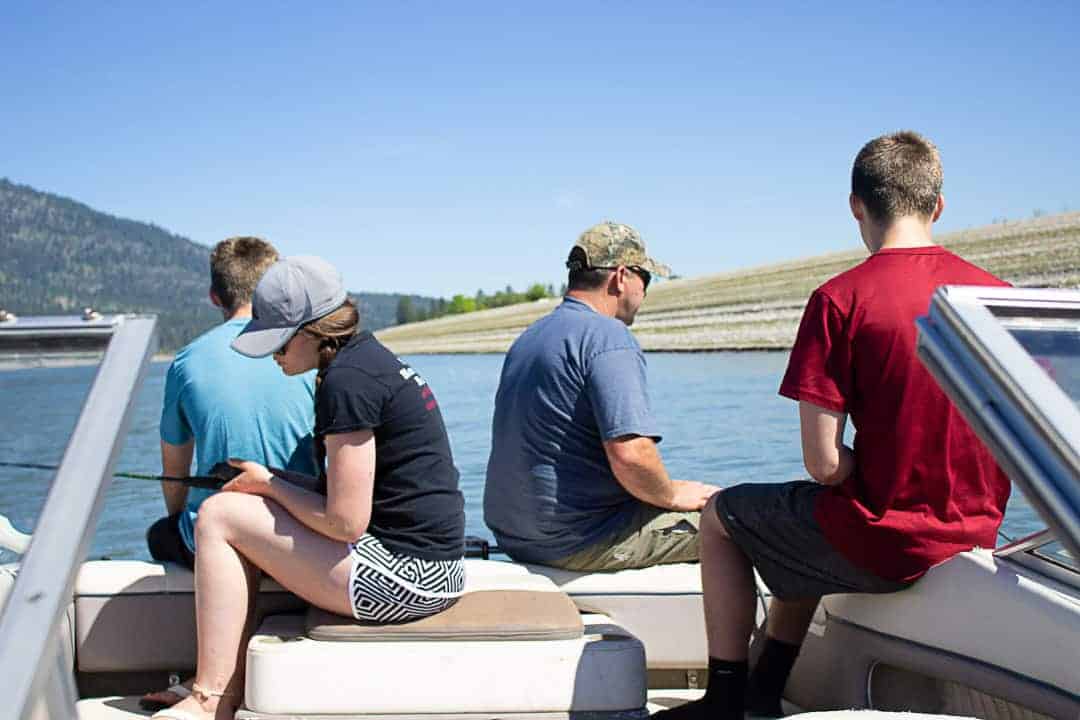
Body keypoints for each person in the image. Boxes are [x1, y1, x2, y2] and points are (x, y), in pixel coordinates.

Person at [656, 131, 1011, 720]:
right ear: (938, 206)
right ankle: (764, 693)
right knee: (802, 521)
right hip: (975, 535)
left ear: (856, 205)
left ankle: (725, 700)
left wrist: (866, 471)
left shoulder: (840, 299)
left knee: (723, 518)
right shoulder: (995, 297)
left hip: (888, 542)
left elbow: (821, 463)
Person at [148, 256, 466, 720]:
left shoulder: (346, 383)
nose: (273, 356)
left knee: (217, 516)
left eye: (277, 342)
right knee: (238, 503)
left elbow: (344, 521)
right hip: (433, 568)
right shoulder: (367, 361)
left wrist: (272, 486)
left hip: (412, 578)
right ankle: (222, 690)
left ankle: (210, 700)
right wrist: (269, 481)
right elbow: (348, 495)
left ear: (311, 333)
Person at [484, 221, 718, 572]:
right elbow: (632, 455)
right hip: (577, 541)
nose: (644, 292)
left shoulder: (530, 338)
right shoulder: (608, 337)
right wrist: (671, 494)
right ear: (621, 277)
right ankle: (769, 630)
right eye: (646, 279)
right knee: (741, 524)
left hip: (515, 535)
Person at [147, 236, 316, 571]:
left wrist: (181, 519)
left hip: (221, 537)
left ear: (214, 296)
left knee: (160, 535)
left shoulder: (186, 362)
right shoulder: (308, 350)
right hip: (303, 533)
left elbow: (174, 474)